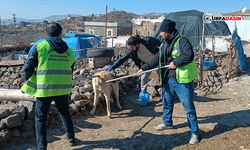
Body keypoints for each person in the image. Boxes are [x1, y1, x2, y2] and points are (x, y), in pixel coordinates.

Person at [137, 19, 199, 144]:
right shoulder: (164, 43)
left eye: (162, 31)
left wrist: (175, 63)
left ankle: (194, 133)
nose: (160, 34)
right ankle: (167, 123)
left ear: (169, 31)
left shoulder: (182, 41)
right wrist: (143, 68)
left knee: (189, 108)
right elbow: (156, 59)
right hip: (168, 79)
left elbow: (189, 55)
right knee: (166, 102)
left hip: (182, 81)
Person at [21, 22, 76, 150]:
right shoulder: (69, 51)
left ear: (46, 34)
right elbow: (70, 69)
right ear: (61, 34)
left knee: (40, 118)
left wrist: (28, 82)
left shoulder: (40, 47)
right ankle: (71, 138)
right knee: (65, 113)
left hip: (44, 89)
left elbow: (27, 67)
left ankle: (42, 147)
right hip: (63, 89)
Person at [105, 35, 161, 106]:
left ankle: (165, 95)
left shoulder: (148, 41)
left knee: (162, 77)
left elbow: (161, 43)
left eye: (132, 47)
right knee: (143, 79)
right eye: (129, 47)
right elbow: (122, 59)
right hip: (146, 65)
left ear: (137, 44)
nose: (130, 49)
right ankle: (144, 98)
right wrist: (113, 67)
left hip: (158, 61)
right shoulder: (131, 52)